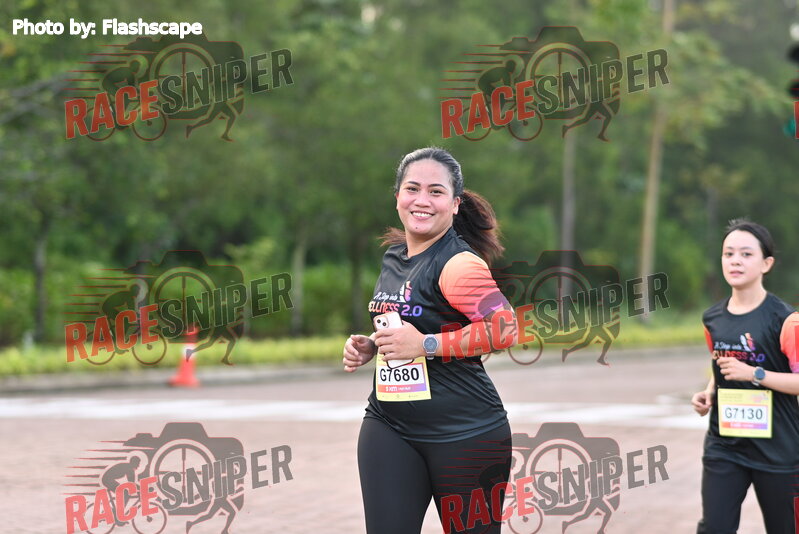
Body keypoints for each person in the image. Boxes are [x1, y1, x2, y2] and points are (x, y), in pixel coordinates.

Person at [342, 147, 519, 534]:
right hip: (389, 425)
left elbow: (505, 328)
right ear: (397, 197)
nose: (422, 200)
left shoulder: (459, 264)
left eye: (436, 191)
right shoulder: (395, 257)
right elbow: (417, 321)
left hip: (466, 434)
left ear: (455, 204)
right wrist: (374, 344)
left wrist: (425, 345)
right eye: (412, 189)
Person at [691, 219, 799, 533]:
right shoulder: (712, 318)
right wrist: (709, 392)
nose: (735, 260)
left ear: (766, 263)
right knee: (715, 528)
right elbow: (721, 365)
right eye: (729, 254)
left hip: (779, 449)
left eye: (746, 254)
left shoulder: (786, 320)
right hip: (725, 446)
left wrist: (755, 374)